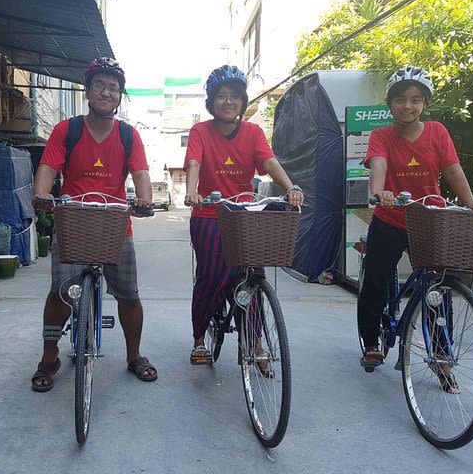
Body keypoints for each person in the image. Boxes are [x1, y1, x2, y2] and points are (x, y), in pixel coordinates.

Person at [30, 57, 157, 391]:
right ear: (87, 91)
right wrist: (41, 193)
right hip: (73, 220)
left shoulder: (129, 135)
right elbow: (48, 166)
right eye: (99, 85)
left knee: (129, 295)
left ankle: (134, 356)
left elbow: (141, 172)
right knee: (61, 292)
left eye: (113, 88)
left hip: (116, 224)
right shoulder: (66, 130)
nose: (106, 92)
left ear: (120, 96)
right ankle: (48, 357)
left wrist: (143, 199)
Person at [357, 66, 473, 391]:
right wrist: (378, 192)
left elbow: (453, 170)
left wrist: (471, 204)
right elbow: (378, 164)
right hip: (391, 218)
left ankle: (442, 358)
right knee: (374, 280)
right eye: (401, 100)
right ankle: (371, 343)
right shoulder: (382, 135)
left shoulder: (438, 133)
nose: (408, 106)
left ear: (424, 104)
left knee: (437, 291)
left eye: (415, 100)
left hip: (429, 221)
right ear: (390, 104)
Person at [183, 65, 303, 364]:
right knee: (211, 276)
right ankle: (200, 337)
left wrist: (290, 187)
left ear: (242, 101)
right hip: (209, 213)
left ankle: (256, 341)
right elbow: (194, 162)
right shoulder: (201, 131)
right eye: (221, 96)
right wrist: (192, 191)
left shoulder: (252, 131)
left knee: (252, 276)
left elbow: (269, 161)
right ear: (211, 101)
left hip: (245, 214)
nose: (228, 101)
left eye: (234, 96)